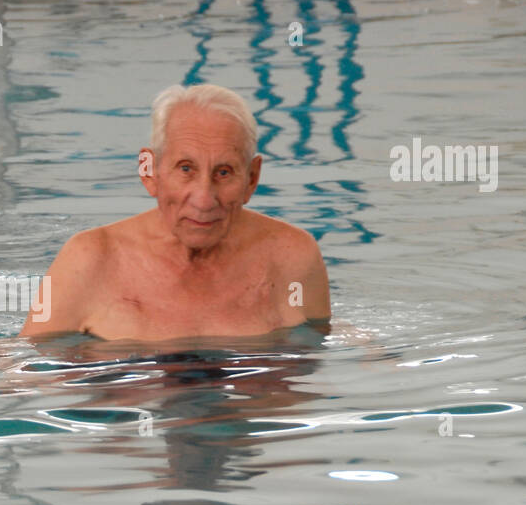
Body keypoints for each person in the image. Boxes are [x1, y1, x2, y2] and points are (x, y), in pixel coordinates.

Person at [20, 84, 330, 341]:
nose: (204, 199)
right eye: (186, 169)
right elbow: (22, 371)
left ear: (252, 178)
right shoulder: (89, 260)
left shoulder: (292, 257)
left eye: (223, 172)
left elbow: (317, 355)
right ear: (149, 170)